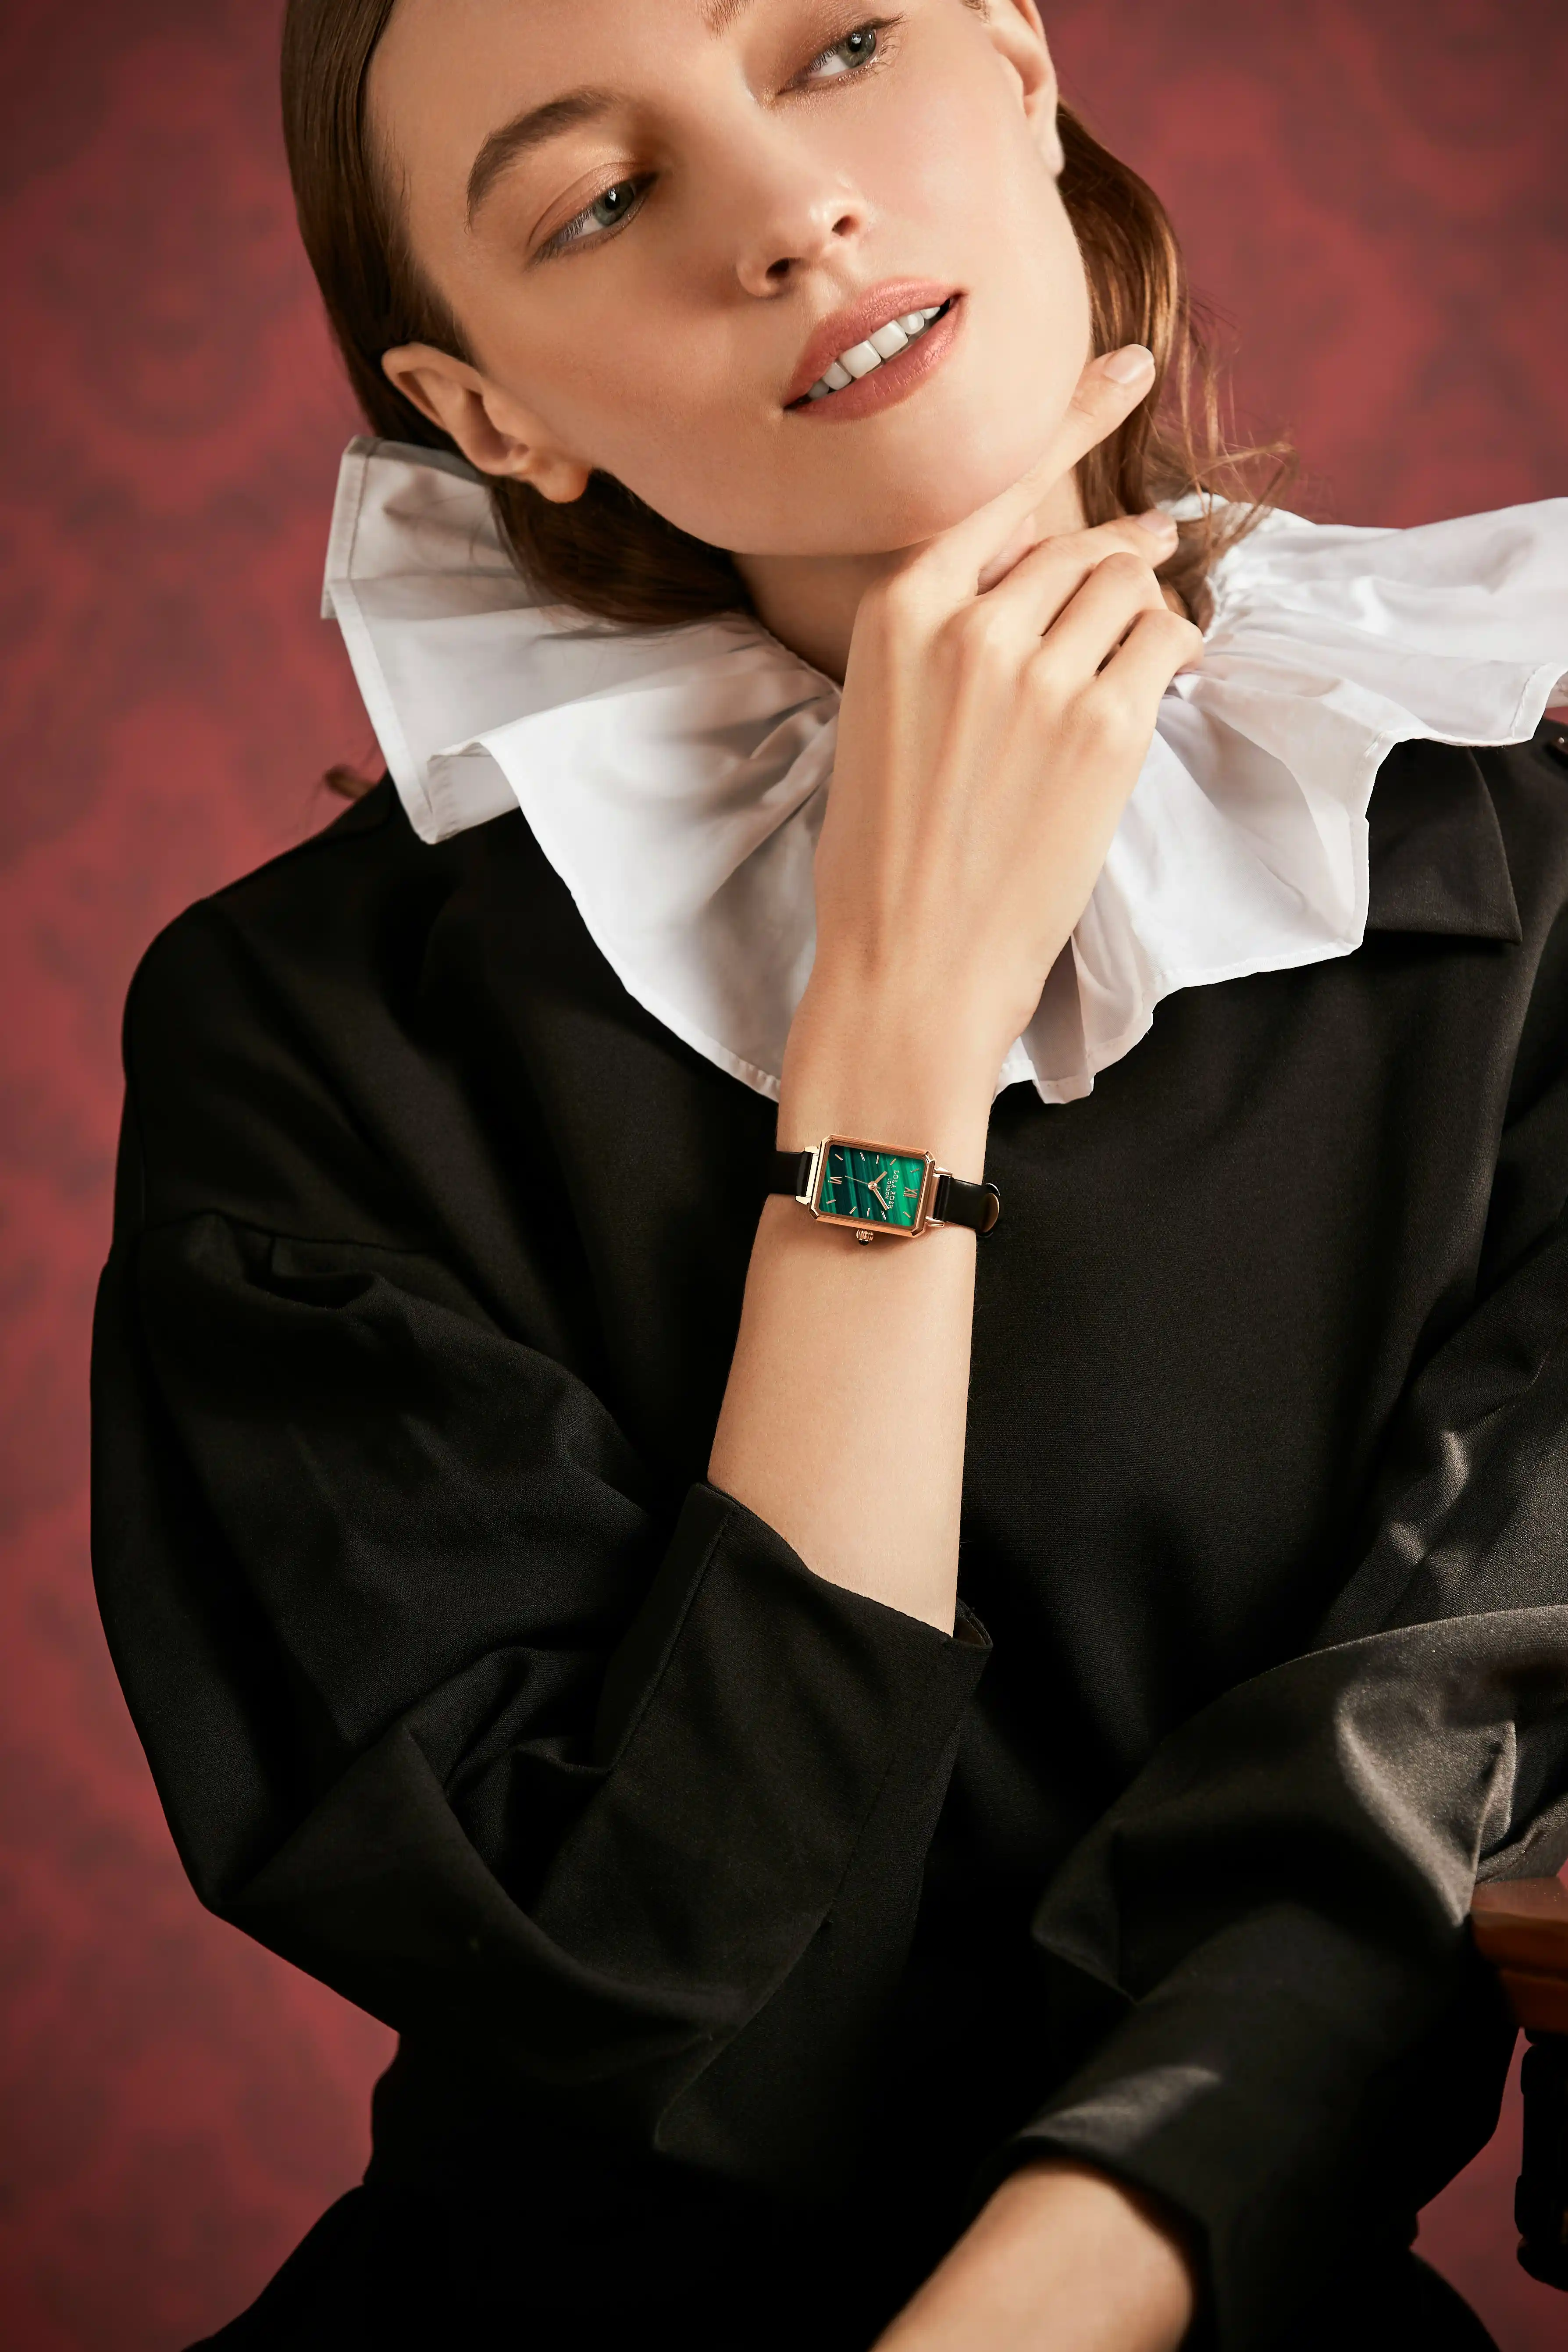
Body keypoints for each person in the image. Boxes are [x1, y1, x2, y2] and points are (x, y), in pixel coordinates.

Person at [89, 2, 1568, 2347]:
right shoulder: (311, 1030)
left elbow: (1424, 1765)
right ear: (491, 414)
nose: (786, 213)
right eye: (597, 197)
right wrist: (890, 1039)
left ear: (1014, 53)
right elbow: (658, 2007)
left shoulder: (1530, 908)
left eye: (837, 47)